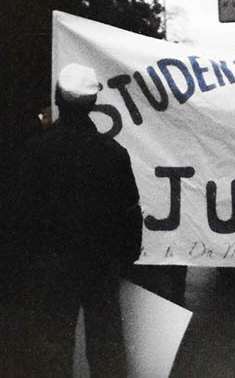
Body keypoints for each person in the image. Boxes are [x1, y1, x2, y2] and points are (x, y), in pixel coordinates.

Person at [0, 63, 142, 377]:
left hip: (49, 267)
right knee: (106, 348)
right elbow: (130, 212)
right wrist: (125, 260)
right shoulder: (114, 153)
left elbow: (19, 215)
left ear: (58, 100)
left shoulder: (35, 151)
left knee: (51, 347)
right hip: (101, 265)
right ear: (93, 103)